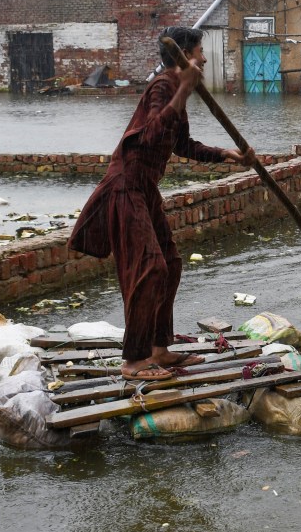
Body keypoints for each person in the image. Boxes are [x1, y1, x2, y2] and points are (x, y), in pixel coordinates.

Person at [69, 27, 255, 381]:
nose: (203, 59)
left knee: (170, 263)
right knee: (149, 267)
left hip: (146, 188)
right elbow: (151, 134)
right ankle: (134, 361)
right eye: (200, 52)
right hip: (126, 187)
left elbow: (181, 145)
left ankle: (159, 349)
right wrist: (184, 88)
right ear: (185, 55)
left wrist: (226, 155)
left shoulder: (175, 91)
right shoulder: (164, 86)